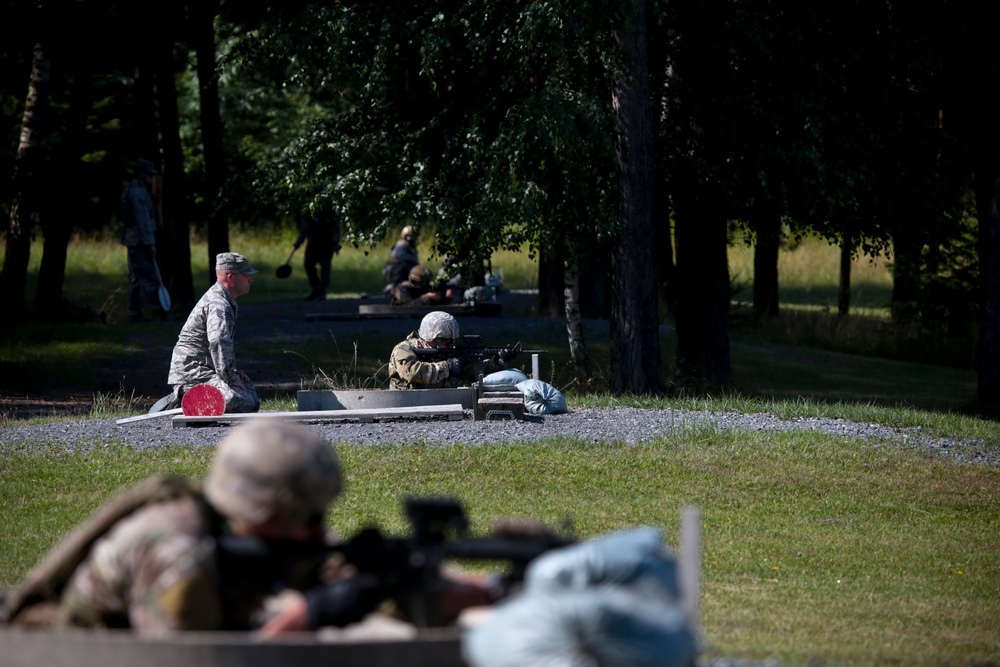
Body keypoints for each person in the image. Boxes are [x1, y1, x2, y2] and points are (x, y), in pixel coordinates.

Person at [2, 421, 495, 636]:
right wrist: (305, 616)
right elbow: (200, 663)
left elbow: (334, 577)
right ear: (262, 511)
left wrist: (483, 588)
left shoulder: (247, 537)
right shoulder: (178, 550)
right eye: (308, 517)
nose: (321, 532)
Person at [159, 252, 260, 414]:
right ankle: (185, 397)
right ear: (231, 277)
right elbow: (218, 342)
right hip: (192, 373)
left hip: (205, 369)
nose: (251, 279)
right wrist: (230, 377)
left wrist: (233, 371)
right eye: (246, 275)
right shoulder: (218, 303)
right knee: (240, 401)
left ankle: (196, 397)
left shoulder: (224, 299)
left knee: (252, 398)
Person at [388, 311, 518, 389]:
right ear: (433, 338)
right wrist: (448, 367)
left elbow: (474, 372)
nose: (451, 345)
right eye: (447, 341)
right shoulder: (404, 349)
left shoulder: (447, 352)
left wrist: (497, 362)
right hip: (405, 404)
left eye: (453, 341)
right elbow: (411, 372)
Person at [119, 158, 164, 323]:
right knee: (147, 276)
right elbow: (143, 220)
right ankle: (160, 309)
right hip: (140, 242)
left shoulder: (134, 190)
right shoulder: (137, 193)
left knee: (136, 279)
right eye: (149, 175)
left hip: (134, 241)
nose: (152, 179)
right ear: (142, 174)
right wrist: (151, 243)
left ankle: (135, 313)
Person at [294, 201, 341, 302]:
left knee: (325, 268)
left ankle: (322, 290)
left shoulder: (330, 215)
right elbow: (304, 230)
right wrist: (298, 243)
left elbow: (336, 230)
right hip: (313, 245)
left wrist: (334, 243)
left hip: (326, 245)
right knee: (308, 265)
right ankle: (315, 288)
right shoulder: (309, 215)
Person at [382, 225, 420, 293]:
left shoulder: (411, 247)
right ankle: (394, 286)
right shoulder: (401, 245)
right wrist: (413, 261)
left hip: (398, 269)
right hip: (394, 270)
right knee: (405, 265)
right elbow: (402, 257)